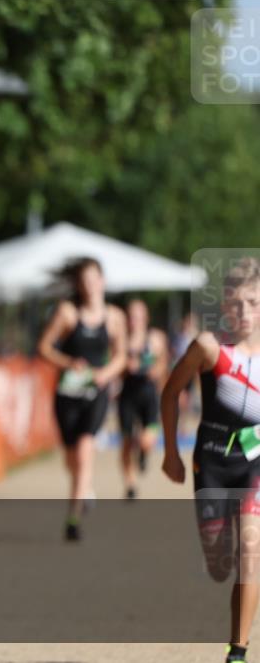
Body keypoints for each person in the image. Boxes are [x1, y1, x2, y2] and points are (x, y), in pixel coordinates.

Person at [162, 257, 260, 663]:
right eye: (236, 304)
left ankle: (237, 651)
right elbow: (170, 394)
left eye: (253, 302)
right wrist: (171, 453)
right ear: (224, 306)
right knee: (221, 566)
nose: (245, 312)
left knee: (252, 550)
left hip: (256, 462)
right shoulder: (207, 348)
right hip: (214, 461)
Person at [37, 257, 127, 541]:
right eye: (84, 280)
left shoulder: (114, 317)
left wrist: (106, 374)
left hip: (95, 393)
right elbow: (44, 347)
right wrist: (67, 363)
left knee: (86, 448)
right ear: (78, 284)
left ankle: (73, 519)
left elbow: (121, 355)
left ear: (102, 281)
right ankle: (84, 488)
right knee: (71, 458)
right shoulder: (67, 313)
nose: (89, 285)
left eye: (93, 279)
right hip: (67, 394)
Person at [117, 299, 169, 499]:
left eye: (138, 316)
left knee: (146, 440)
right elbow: (113, 364)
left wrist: (155, 371)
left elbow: (164, 363)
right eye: (131, 316)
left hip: (149, 395)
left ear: (146, 318)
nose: (134, 321)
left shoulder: (156, 338)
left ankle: (144, 453)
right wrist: (124, 367)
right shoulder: (122, 339)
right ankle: (130, 484)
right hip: (127, 395)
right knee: (126, 442)